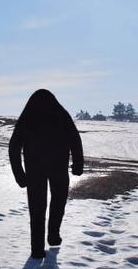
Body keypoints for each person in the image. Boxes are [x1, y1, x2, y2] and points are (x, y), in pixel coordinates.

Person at [9, 89, 84, 259]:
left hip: (35, 170)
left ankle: (37, 249)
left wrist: (20, 175)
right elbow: (75, 139)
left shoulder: (27, 116)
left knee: (37, 208)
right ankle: (53, 235)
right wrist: (78, 164)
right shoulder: (61, 114)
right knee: (59, 201)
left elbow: (14, 147)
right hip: (58, 168)